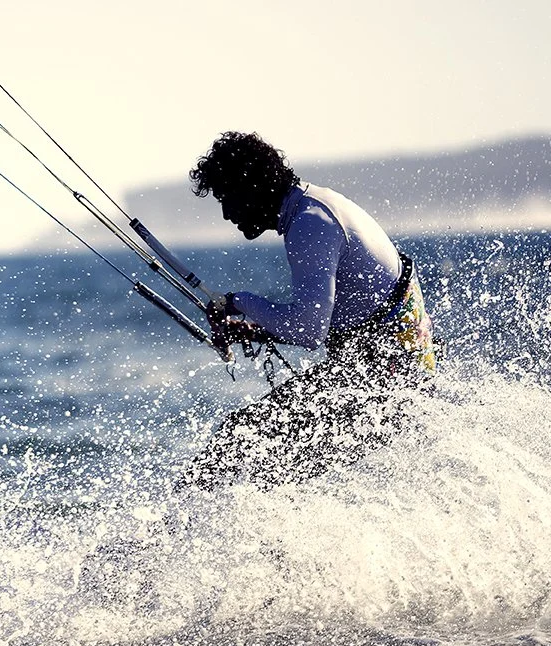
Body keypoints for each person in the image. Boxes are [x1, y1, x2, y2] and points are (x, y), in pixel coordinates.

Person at [181, 131, 437, 488]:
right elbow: (339, 315)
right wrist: (257, 329)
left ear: (253, 186)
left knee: (238, 440)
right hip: (391, 378)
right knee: (267, 468)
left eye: (228, 198)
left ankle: (172, 535)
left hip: (386, 386)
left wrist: (237, 301)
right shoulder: (315, 205)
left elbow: (307, 331)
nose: (226, 213)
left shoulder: (311, 224)